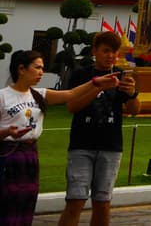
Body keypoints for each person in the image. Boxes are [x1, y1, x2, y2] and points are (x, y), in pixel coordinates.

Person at [0, 51, 116, 226]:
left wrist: (95, 83)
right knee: (6, 202)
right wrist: (7, 131)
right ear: (21, 69)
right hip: (8, 155)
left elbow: (70, 94)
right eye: (37, 67)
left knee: (26, 202)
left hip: (30, 155)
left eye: (43, 68)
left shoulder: (39, 94)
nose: (41, 72)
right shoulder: (3, 96)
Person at [58, 31, 140, 226]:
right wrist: (98, 87)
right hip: (82, 145)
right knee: (75, 201)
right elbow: (72, 106)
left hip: (110, 146)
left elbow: (134, 111)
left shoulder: (121, 75)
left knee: (103, 202)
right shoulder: (81, 75)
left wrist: (132, 93)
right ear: (94, 51)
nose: (110, 56)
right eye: (105, 51)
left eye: (114, 52)